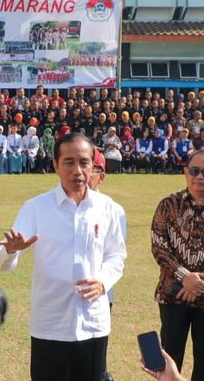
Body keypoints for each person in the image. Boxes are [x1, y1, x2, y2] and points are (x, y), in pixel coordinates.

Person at [0, 133, 127, 381]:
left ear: (93, 165)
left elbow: (116, 256)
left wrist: (103, 282)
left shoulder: (109, 209)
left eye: (84, 162)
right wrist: (12, 249)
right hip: (50, 324)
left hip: (93, 323)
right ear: (55, 165)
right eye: (69, 162)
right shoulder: (36, 207)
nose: (77, 170)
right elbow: (0, 261)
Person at [151, 149, 204, 381]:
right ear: (185, 172)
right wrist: (185, 277)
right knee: (169, 361)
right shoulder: (168, 205)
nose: (200, 176)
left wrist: (198, 282)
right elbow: (159, 246)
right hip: (172, 296)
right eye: (195, 170)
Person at [88, 149, 126, 381]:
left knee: (95, 361)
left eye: (92, 167)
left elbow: (116, 256)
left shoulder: (114, 210)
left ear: (102, 176)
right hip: (65, 298)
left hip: (100, 296)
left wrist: (101, 283)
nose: (83, 171)